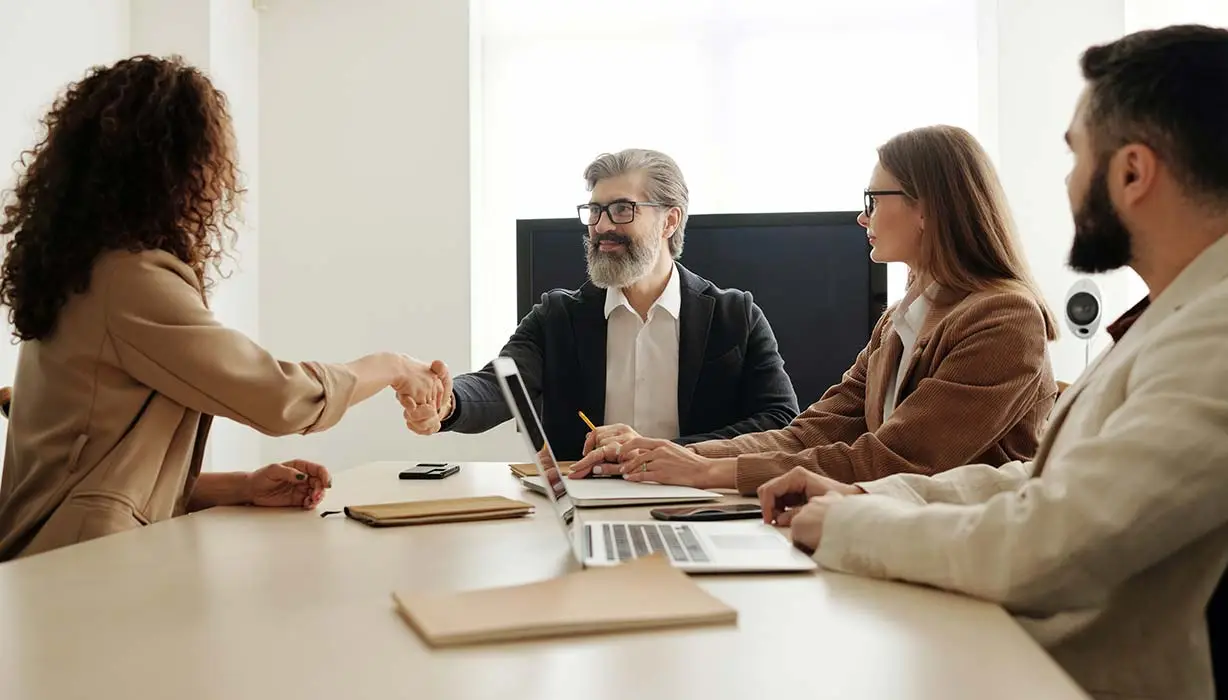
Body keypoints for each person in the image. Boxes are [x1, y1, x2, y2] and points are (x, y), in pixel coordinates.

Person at [756, 24, 1228, 700]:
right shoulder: (1175, 316)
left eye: (1075, 157)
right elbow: (1033, 481)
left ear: (1131, 173)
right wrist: (867, 497)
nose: (1067, 183)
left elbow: (1055, 541)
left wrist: (857, 524)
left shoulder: (1215, 335)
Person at [0, 55, 447, 562]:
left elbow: (94, 472)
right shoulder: (128, 280)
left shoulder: (81, 272)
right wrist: (391, 366)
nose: (219, 179)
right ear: (174, 165)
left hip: (57, 562)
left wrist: (239, 486)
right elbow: (279, 397)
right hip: (76, 571)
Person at [571, 127, 1058, 494]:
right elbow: (812, 431)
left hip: (960, 562)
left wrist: (711, 471)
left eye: (874, 198)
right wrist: (675, 455)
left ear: (928, 207)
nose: (862, 216)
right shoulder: (899, 321)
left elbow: (897, 460)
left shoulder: (1004, 320)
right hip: (889, 535)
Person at [403, 149, 799, 460]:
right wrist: (447, 402)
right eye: (594, 211)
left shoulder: (735, 316)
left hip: (700, 500)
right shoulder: (557, 317)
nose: (602, 226)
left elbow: (780, 421)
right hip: (588, 502)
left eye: (622, 210)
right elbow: (499, 386)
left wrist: (666, 452)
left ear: (669, 221)